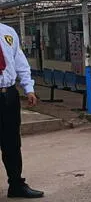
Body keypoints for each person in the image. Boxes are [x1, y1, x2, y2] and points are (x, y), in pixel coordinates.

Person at [0, 23, 44, 198]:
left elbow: (20, 62)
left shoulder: (8, 32)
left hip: (8, 94)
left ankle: (16, 185)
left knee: (12, 143)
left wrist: (29, 88)